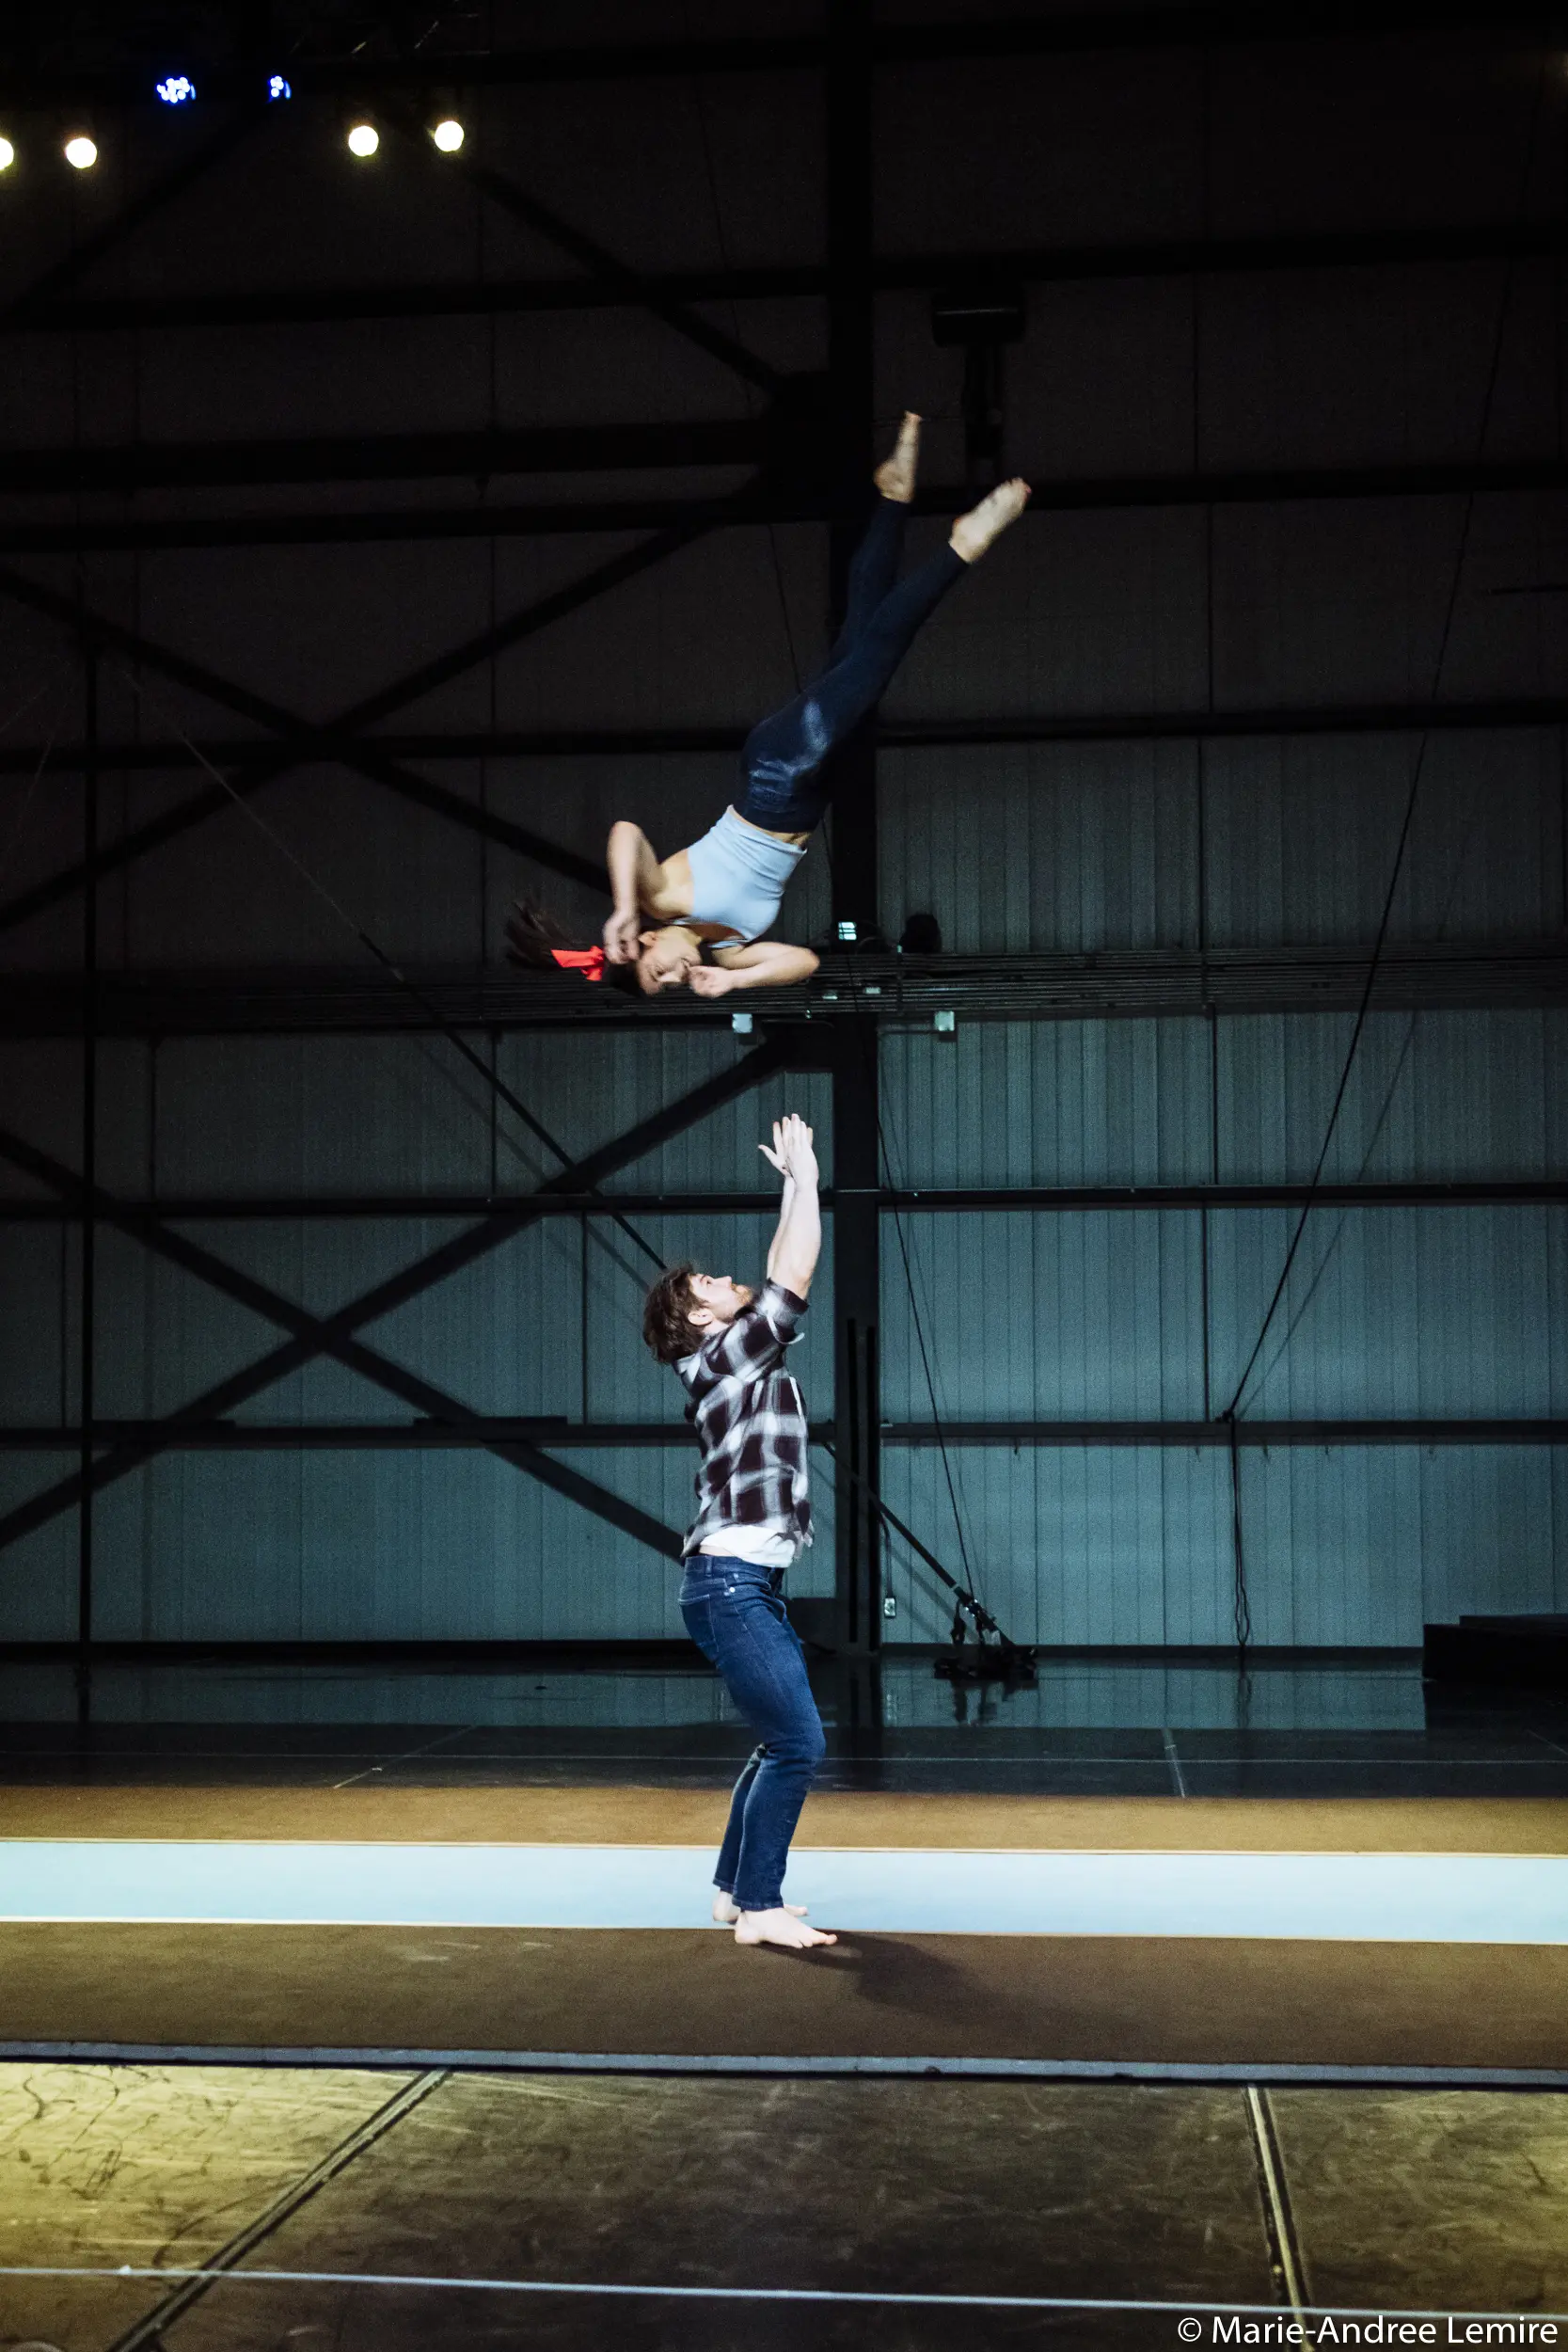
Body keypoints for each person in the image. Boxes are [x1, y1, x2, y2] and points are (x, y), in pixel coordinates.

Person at [509, 416, 1030, 996]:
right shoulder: (730, 952)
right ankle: (893, 498)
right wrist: (735, 985)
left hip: (776, 774)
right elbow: (805, 963)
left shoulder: (660, 898)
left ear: (648, 941)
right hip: (812, 793)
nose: (681, 975)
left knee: (879, 652)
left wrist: (624, 908)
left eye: (662, 971)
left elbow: (626, 831)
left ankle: (963, 546)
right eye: (675, 986)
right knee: (860, 635)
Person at [641, 1111, 835, 1950]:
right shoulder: (720, 1359)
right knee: (797, 1743)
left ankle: (732, 1891)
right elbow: (790, 1275)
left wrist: (798, 1184)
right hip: (729, 1584)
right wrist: (806, 1184)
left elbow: (776, 1274)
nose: (726, 1281)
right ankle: (759, 1909)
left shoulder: (734, 1358)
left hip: (741, 1583)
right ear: (701, 1323)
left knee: (774, 1742)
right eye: (709, 1287)